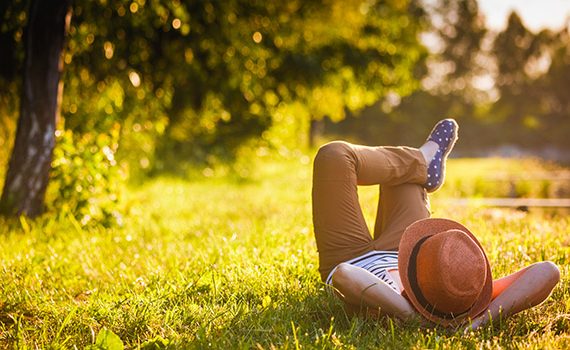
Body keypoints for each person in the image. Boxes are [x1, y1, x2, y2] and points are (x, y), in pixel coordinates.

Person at [311, 119, 560, 329]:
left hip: (351, 255)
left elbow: (345, 275)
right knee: (404, 177)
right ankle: (421, 162)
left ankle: (421, 159)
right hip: (408, 253)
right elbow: (548, 271)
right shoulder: (463, 300)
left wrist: (415, 317)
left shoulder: (400, 306)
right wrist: (481, 321)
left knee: (333, 155)